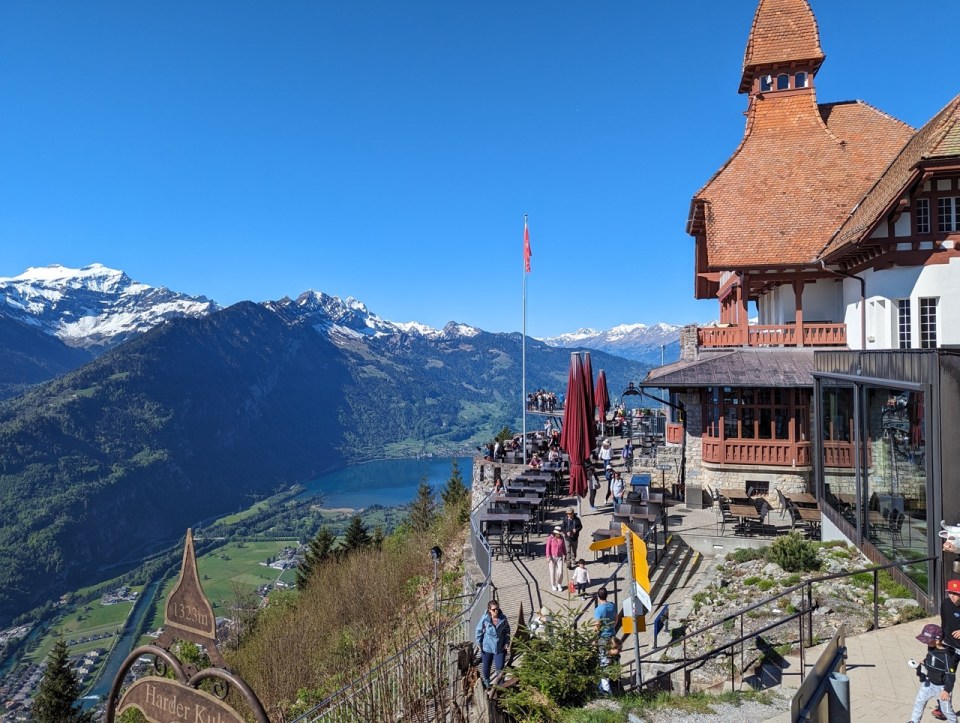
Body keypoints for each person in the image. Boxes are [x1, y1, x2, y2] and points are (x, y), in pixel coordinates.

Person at [908, 623, 957, 723]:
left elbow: (951, 675)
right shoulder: (931, 647)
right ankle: (914, 720)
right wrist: (925, 662)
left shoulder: (946, 656)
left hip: (942, 688)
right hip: (928, 682)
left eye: (928, 641)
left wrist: (947, 690)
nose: (926, 643)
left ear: (937, 641)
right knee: (919, 701)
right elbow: (930, 656)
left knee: (946, 711)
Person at [475, 599, 511, 689]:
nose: (496, 611)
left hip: (499, 647)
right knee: (486, 666)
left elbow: (507, 631)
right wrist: (479, 643)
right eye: (494, 609)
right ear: (489, 610)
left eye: (497, 609)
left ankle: (500, 687)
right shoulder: (485, 619)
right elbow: (478, 630)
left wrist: (507, 642)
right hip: (487, 647)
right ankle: (487, 682)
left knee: (500, 668)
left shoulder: (503, 618)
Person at [545, 526, 567, 592]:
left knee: (560, 572)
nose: (559, 535)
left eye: (560, 534)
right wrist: (548, 556)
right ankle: (553, 585)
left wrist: (565, 554)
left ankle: (559, 584)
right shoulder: (550, 538)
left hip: (560, 556)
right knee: (552, 572)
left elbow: (563, 546)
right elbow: (547, 547)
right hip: (552, 557)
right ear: (555, 533)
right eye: (558, 534)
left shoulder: (562, 538)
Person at [942, 580, 960, 650]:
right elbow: (944, 622)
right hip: (949, 642)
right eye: (950, 592)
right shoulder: (945, 603)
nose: (952, 596)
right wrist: (941, 638)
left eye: (955, 593)